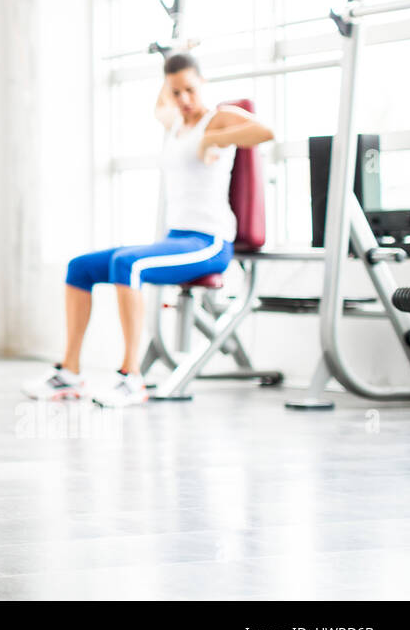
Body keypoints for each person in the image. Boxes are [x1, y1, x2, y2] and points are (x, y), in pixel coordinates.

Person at [24, 52, 274, 407]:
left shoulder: (217, 118)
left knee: (128, 263)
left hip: (209, 242)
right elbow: (161, 103)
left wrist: (212, 140)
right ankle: (70, 373)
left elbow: (265, 131)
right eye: (176, 92)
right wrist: (173, 55)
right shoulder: (174, 123)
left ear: (202, 83)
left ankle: (132, 378)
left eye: (190, 89)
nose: (183, 99)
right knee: (80, 266)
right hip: (177, 238)